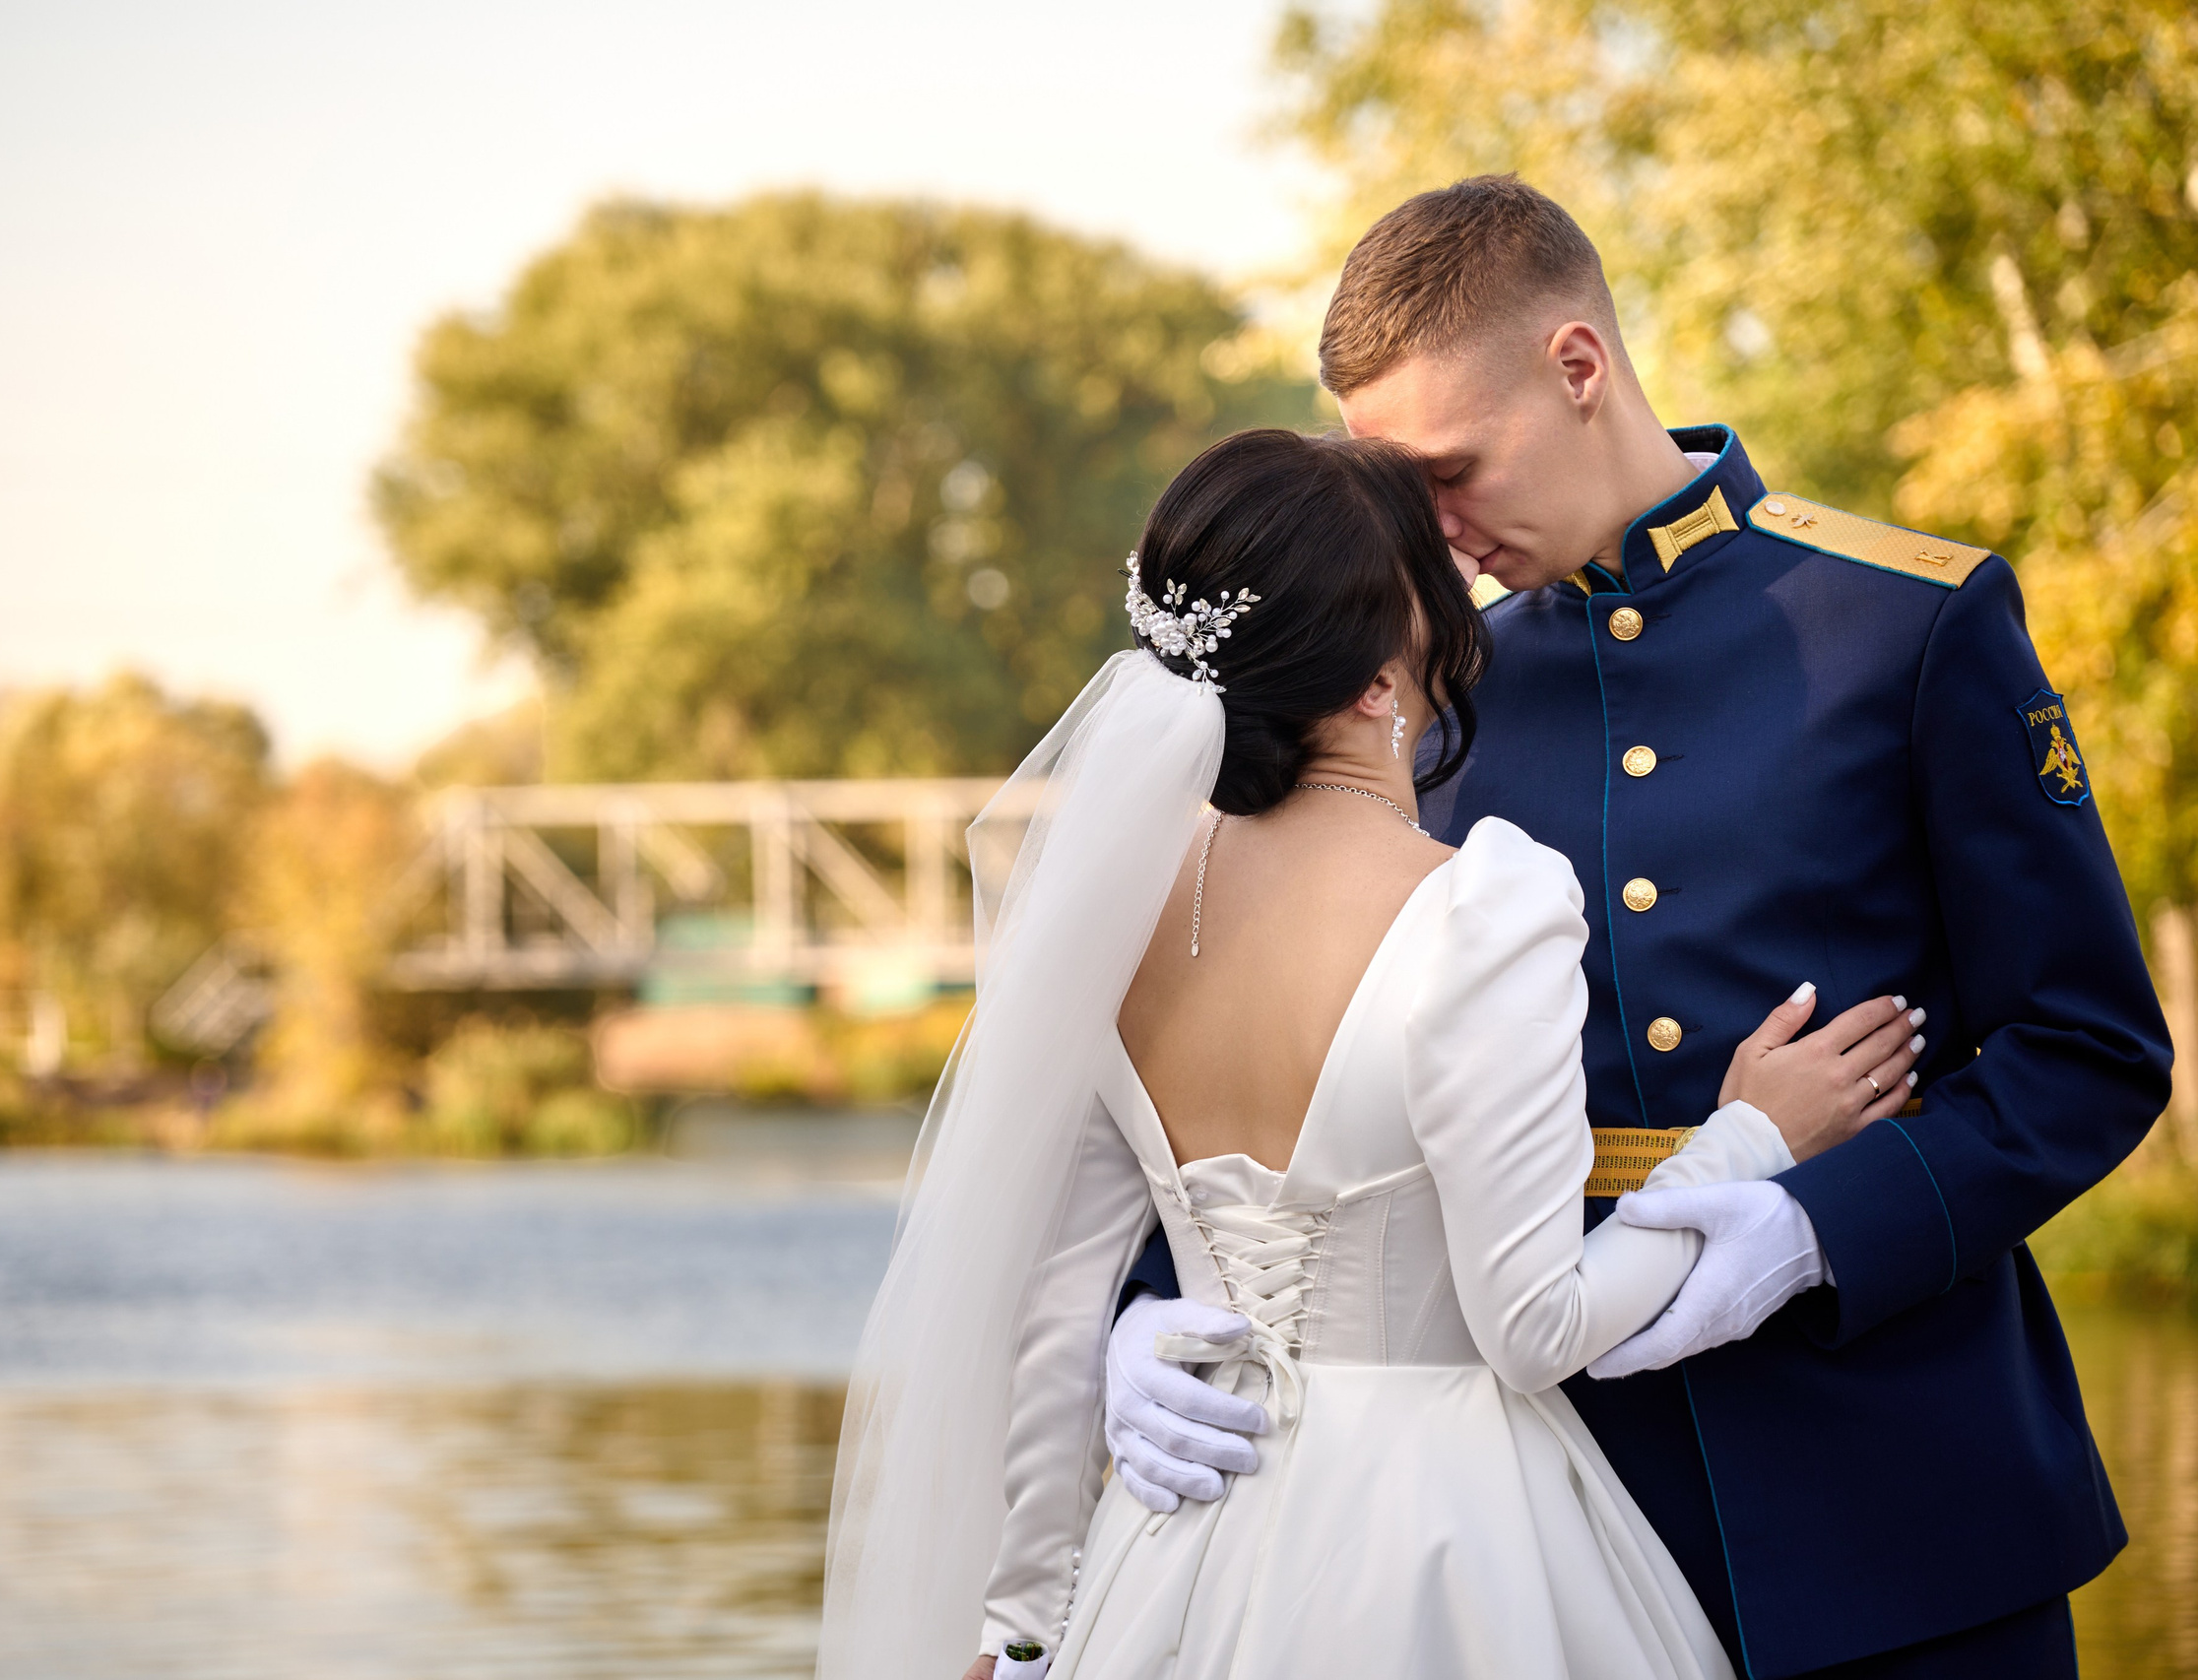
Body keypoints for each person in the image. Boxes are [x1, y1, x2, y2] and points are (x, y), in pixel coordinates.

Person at [1101, 177, 2172, 1679]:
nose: (1433, 535)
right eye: (1399, 495)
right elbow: (1278, 1046)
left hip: (1902, 1493)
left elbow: (2089, 1048)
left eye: (1451, 472)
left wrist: (1814, 1226)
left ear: (1579, 366)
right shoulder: (1413, 690)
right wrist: (1151, 1308)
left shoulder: (1907, 622)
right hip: (1543, 1526)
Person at [813, 427, 1919, 1680]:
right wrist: (1746, 1141)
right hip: (1439, 1540)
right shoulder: (1483, 904)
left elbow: (1060, 1318)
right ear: (1377, 678)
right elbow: (1538, 1323)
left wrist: (1019, 1633)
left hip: (1175, 1541)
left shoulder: (1106, 907)